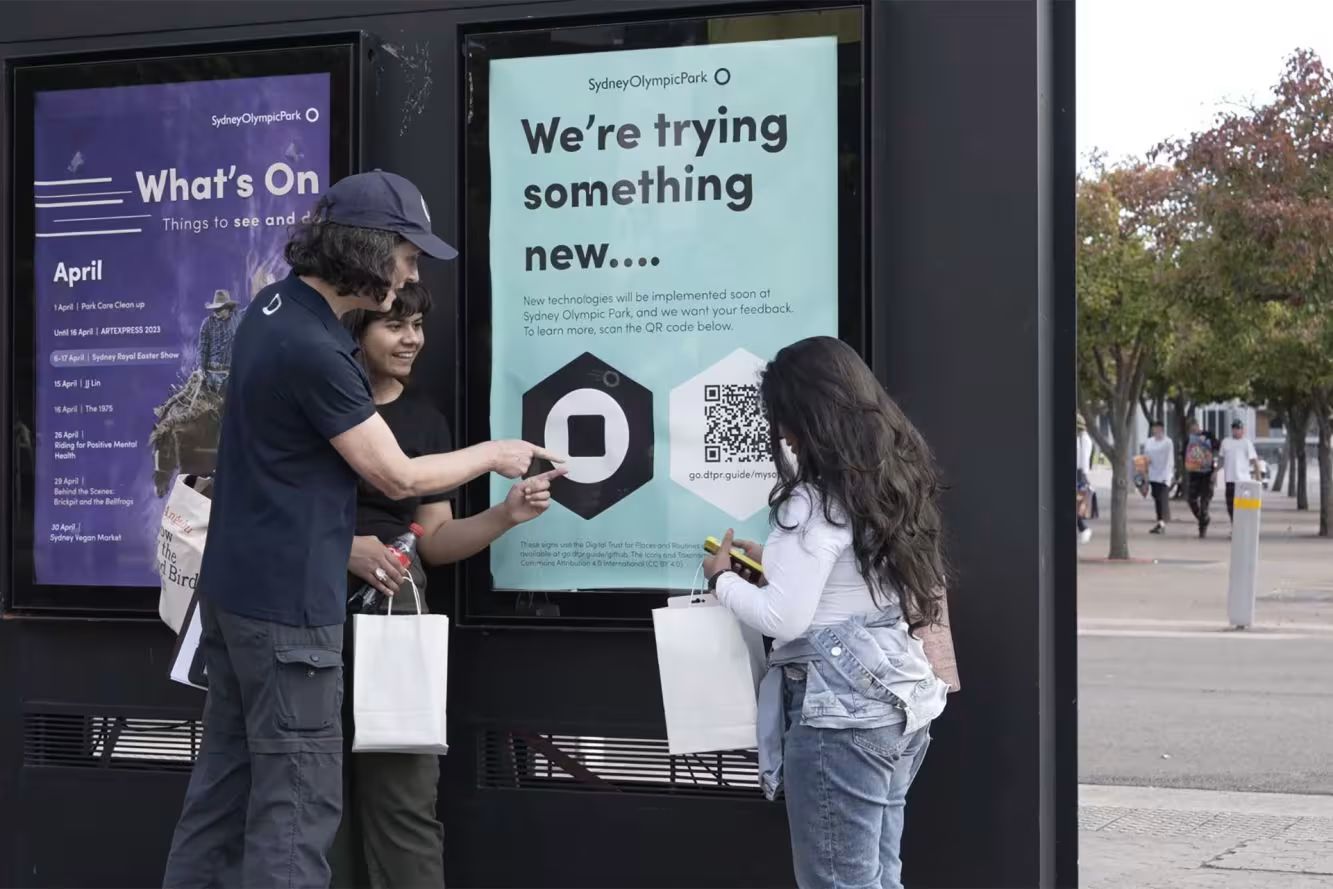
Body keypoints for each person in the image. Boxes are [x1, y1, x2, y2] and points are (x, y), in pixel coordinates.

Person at [162, 171, 561, 889]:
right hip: (288, 611)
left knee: (221, 800)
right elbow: (397, 477)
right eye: (408, 255)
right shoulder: (314, 347)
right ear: (369, 250)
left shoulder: (270, 309)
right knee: (295, 812)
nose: (412, 272)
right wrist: (497, 453)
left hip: (237, 595)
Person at [330, 282, 562, 888]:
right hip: (309, 611)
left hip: (396, 617)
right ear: (355, 330)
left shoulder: (423, 418)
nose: (412, 339)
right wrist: (340, 550)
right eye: (393, 325)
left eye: (417, 325)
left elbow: (434, 540)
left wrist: (506, 515)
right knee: (313, 799)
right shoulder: (319, 402)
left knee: (403, 792)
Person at [703, 336, 949, 889]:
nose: (783, 434)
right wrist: (774, 564)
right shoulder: (890, 483)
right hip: (899, 703)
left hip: (839, 715)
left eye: (784, 419)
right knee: (881, 879)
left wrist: (721, 578)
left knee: (839, 883)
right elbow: (852, 586)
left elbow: (784, 619)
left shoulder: (810, 500)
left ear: (809, 417)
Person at [198, 288, 242, 391]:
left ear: (227, 308)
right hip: (210, 376)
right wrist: (200, 368)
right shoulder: (207, 323)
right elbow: (203, 349)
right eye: (215, 309)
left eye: (219, 309)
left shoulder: (237, 320)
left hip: (228, 377)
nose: (216, 311)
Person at [1219, 418, 1260, 522]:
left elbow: (1255, 461)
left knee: (1242, 506)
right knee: (1230, 506)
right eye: (1234, 428)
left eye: (1238, 428)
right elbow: (1221, 459)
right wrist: (1215, 472)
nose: (1236, 430)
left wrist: (1258, 478)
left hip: (1243, 480)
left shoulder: (1247, 443)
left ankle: (1241, 528)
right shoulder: (1225, 442)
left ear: (1242, 430)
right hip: (1229, 480)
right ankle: (1235, 527)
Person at [1183, 419, 1219, 538]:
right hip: (1194, 474)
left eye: (1195, 428)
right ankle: (1204, 519)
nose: (1194, 431)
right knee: (1191, 499)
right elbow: (1184, 454)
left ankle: (1202, 529)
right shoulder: (1188, 439)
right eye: (1191, 430)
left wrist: (1207, 440)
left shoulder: (1208, 435)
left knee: (1204, 503)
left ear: (1198, 426)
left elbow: (1217, 446)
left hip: (1207, 474)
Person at [1143, 420, 1174, 534]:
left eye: (1157, 429)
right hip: (1153, 474)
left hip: (1164, 474)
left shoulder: (1167, 442)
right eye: (1153, 429)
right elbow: (1146, 457)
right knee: (1156, 498)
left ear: (1162, 429)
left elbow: (1169, 459)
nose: (1155, 431)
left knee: (1161, 498)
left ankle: (1162, 522)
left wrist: (1169, 474)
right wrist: (1145, 475)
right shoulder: (1149, 442)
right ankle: (1160, 522)